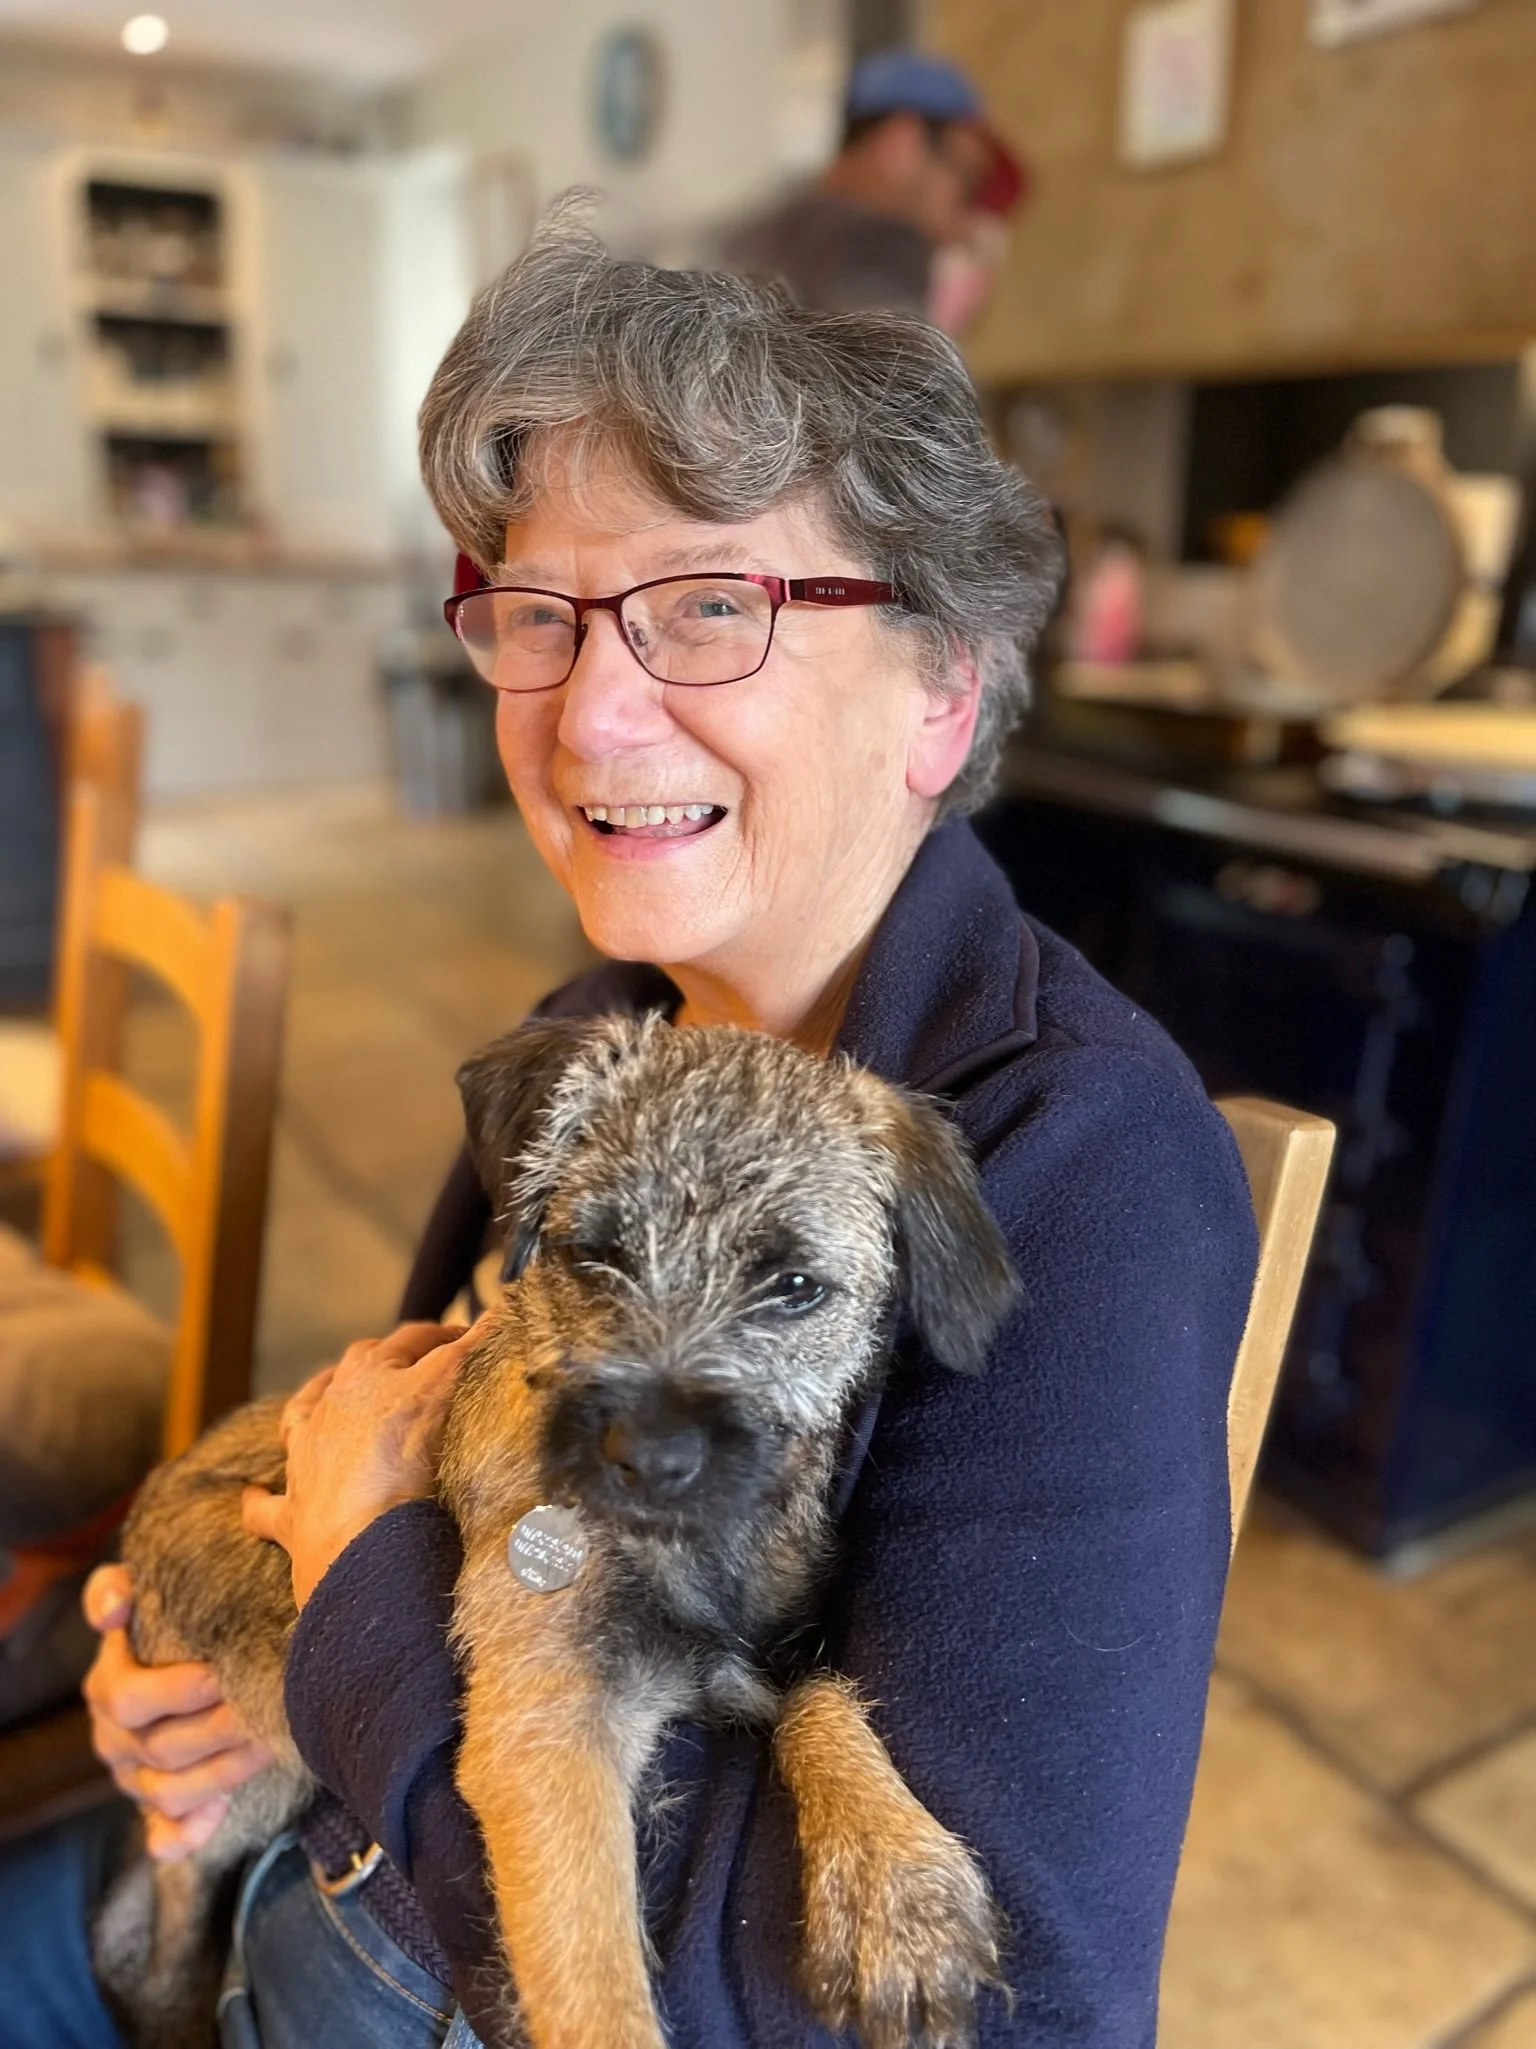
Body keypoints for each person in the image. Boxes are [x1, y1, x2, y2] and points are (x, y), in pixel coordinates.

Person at [0, 215, 1255, 2048]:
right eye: (538, 612)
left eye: (708, 606)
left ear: (942, 692)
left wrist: (357, 1638)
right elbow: (449, 1467)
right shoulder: (603, 1029)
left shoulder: (1083, 1166)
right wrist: (211, 1666)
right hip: (287, 1847)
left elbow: (1015, 2007)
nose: (585, 710)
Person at [718, 46, 1028, 330]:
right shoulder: (883, 244)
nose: (961, 225)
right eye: (969, 180)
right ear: (902, 142)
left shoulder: (748, 233)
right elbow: (900, 384)